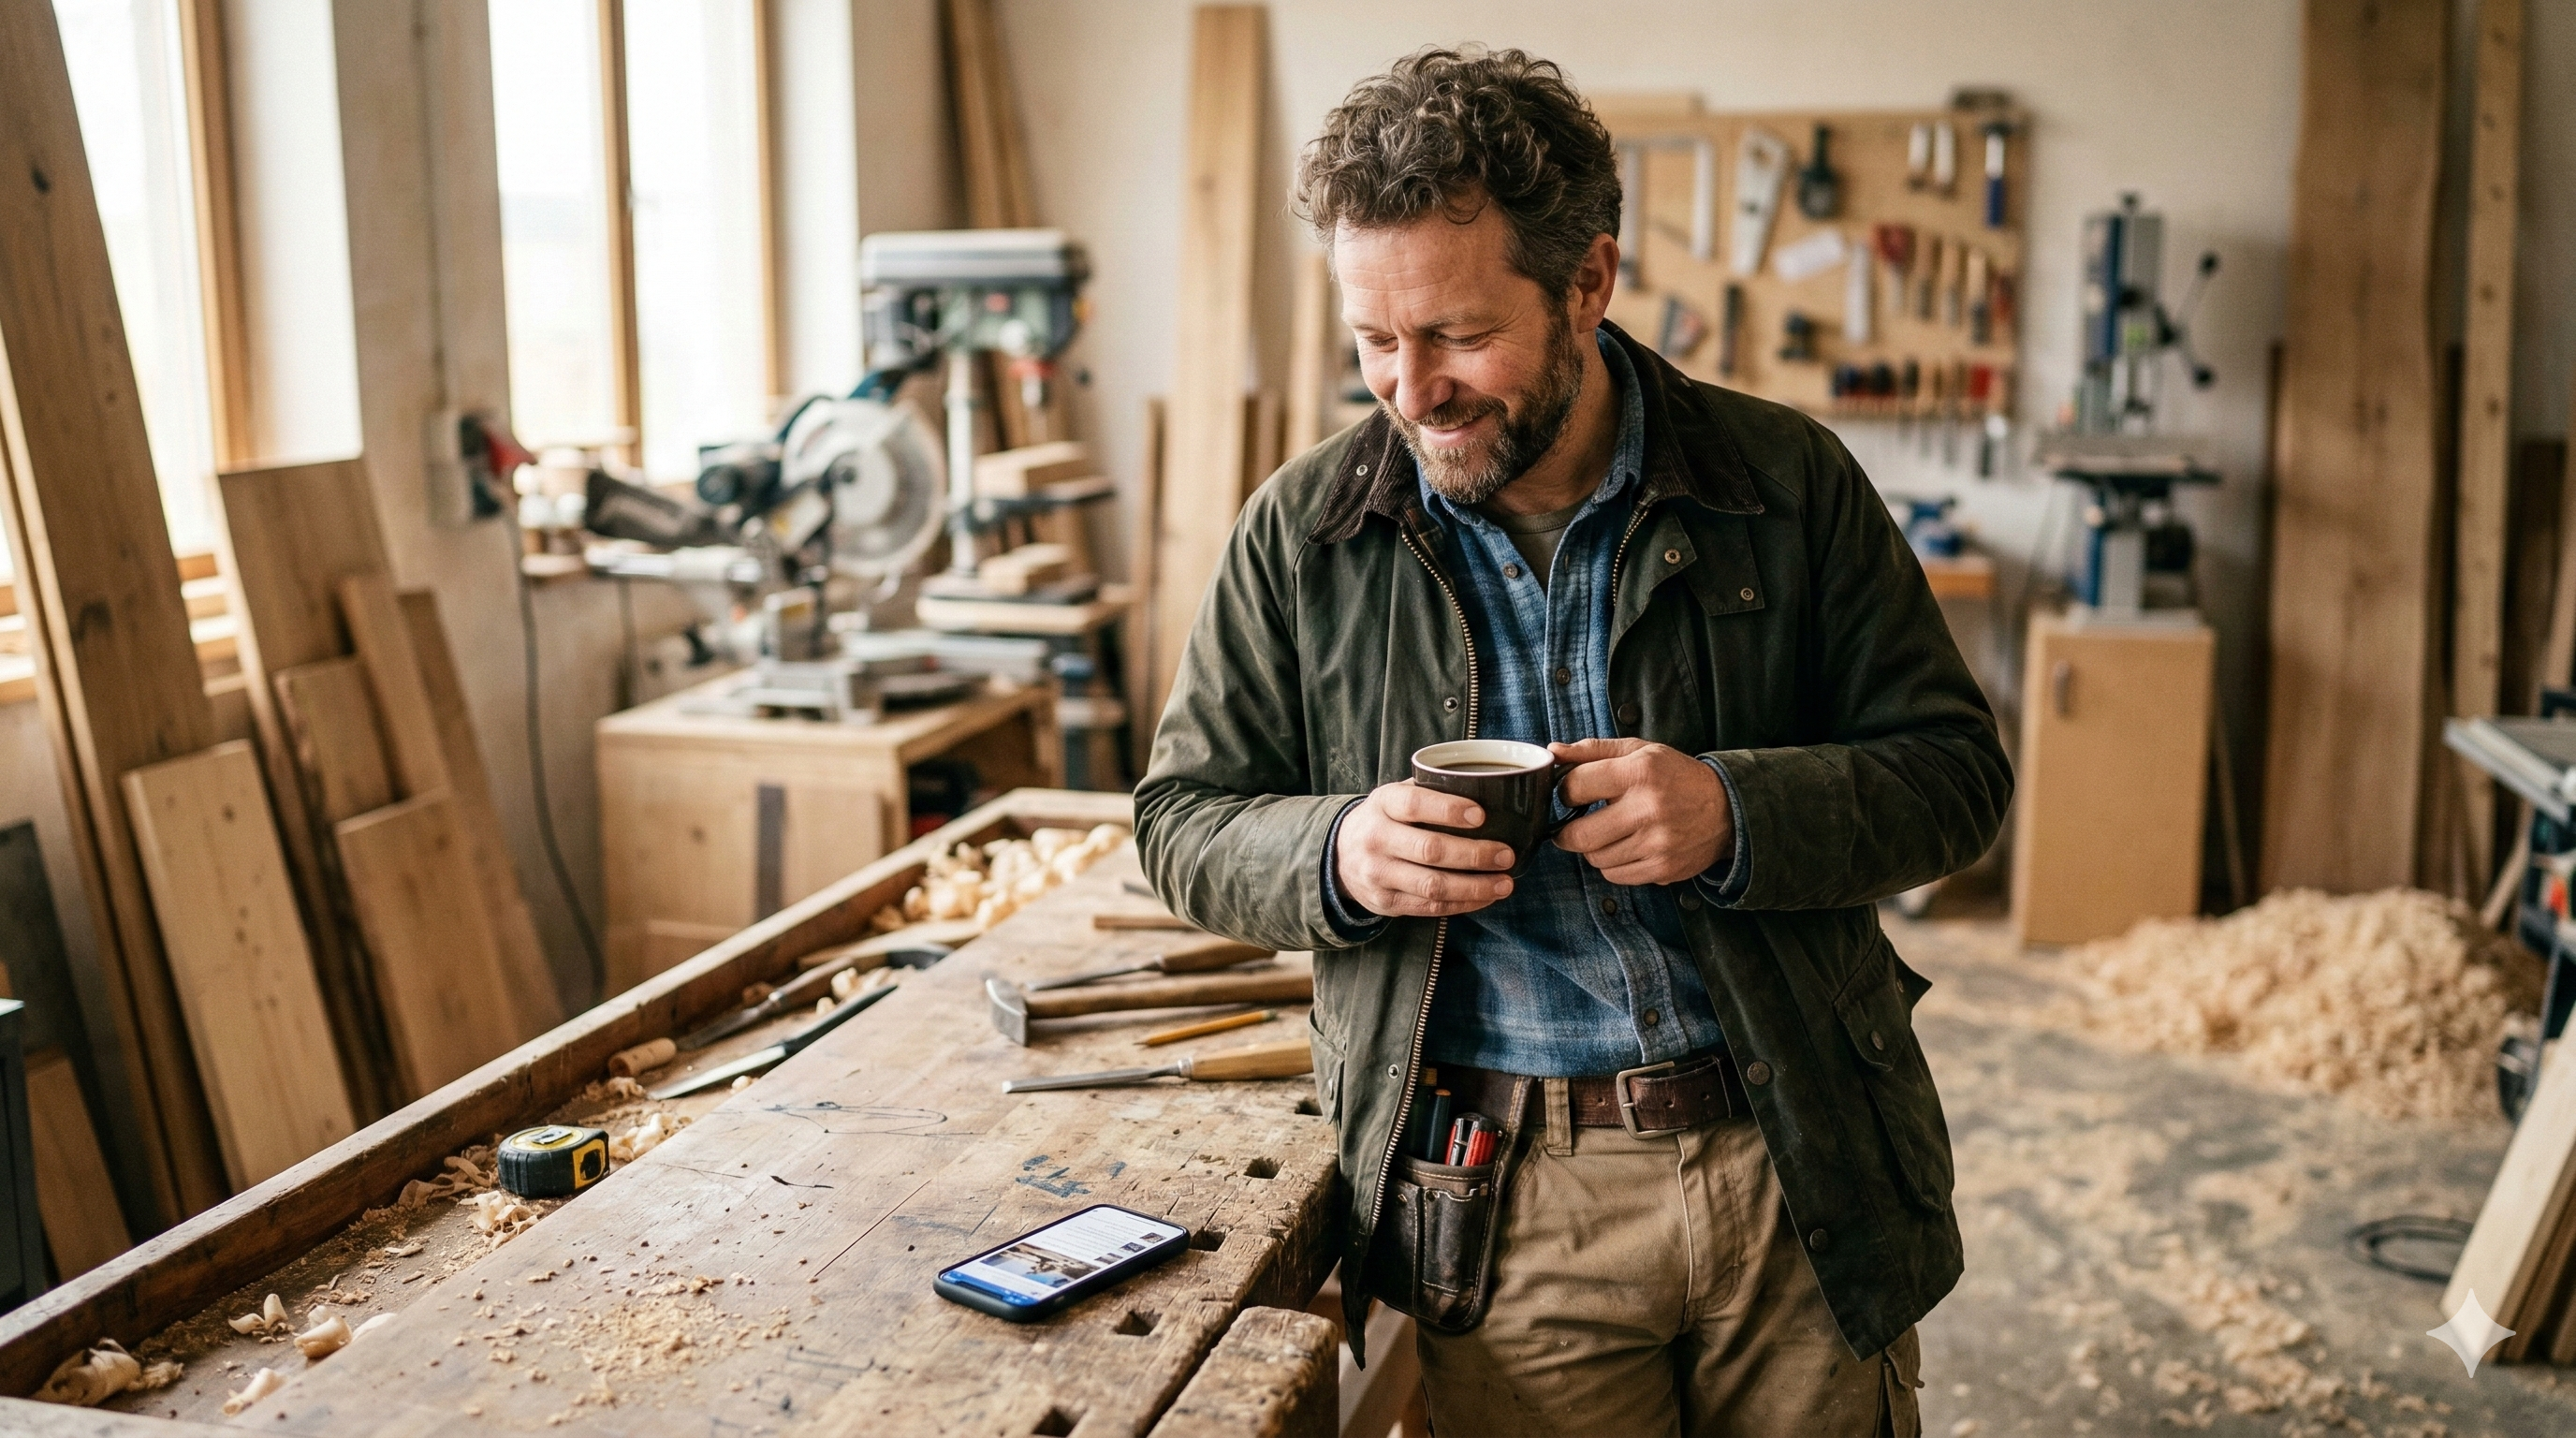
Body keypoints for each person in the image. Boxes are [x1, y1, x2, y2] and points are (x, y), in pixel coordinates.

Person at [1134, 45, 2010, 1438]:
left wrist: (1735, 812)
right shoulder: (1305, 540)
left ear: (1588, 284)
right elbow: (1180, 820)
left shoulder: (1784, 485)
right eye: (1373, 340)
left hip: (1793, 1162)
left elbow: (1961, 781)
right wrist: (1339, 852)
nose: (1410, 391)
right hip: (1506, 1196)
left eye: (1459, 336)